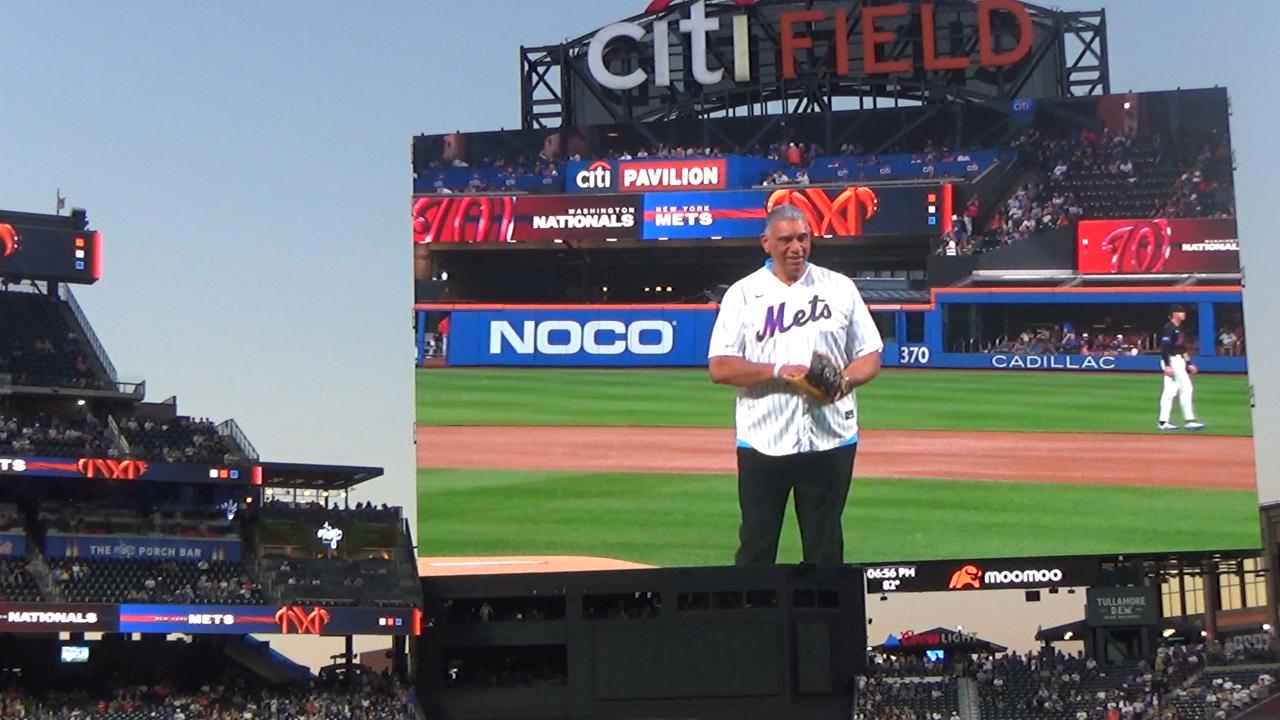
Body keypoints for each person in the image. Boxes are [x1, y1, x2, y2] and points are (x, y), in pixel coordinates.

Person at [707, 204, 883, 566]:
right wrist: (778, 370)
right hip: (763, 441)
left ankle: (825, 621)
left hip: (831, 438)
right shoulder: (742, 295)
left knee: (825, 548)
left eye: (803, 238)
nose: (796, 247)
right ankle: (754, 619)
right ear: (766, 243)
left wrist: (844, 381)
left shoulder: (840, 287)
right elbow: (721, 367)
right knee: (757, 544)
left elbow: (870, 354)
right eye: (786, 240)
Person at [1157, 305, 1205, 430]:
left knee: (1170, 391)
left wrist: (1189, 363)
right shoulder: (1168, 328)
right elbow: (1164, 347)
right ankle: (1189, 420)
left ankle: (1163, 422)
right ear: (1174, 314)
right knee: (1186, 387)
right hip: (1172, 360)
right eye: (1180, 312)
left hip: (1178, 360)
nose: (1183, 314)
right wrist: (1167, 365)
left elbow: (1182, 348)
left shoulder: (1179, 328)